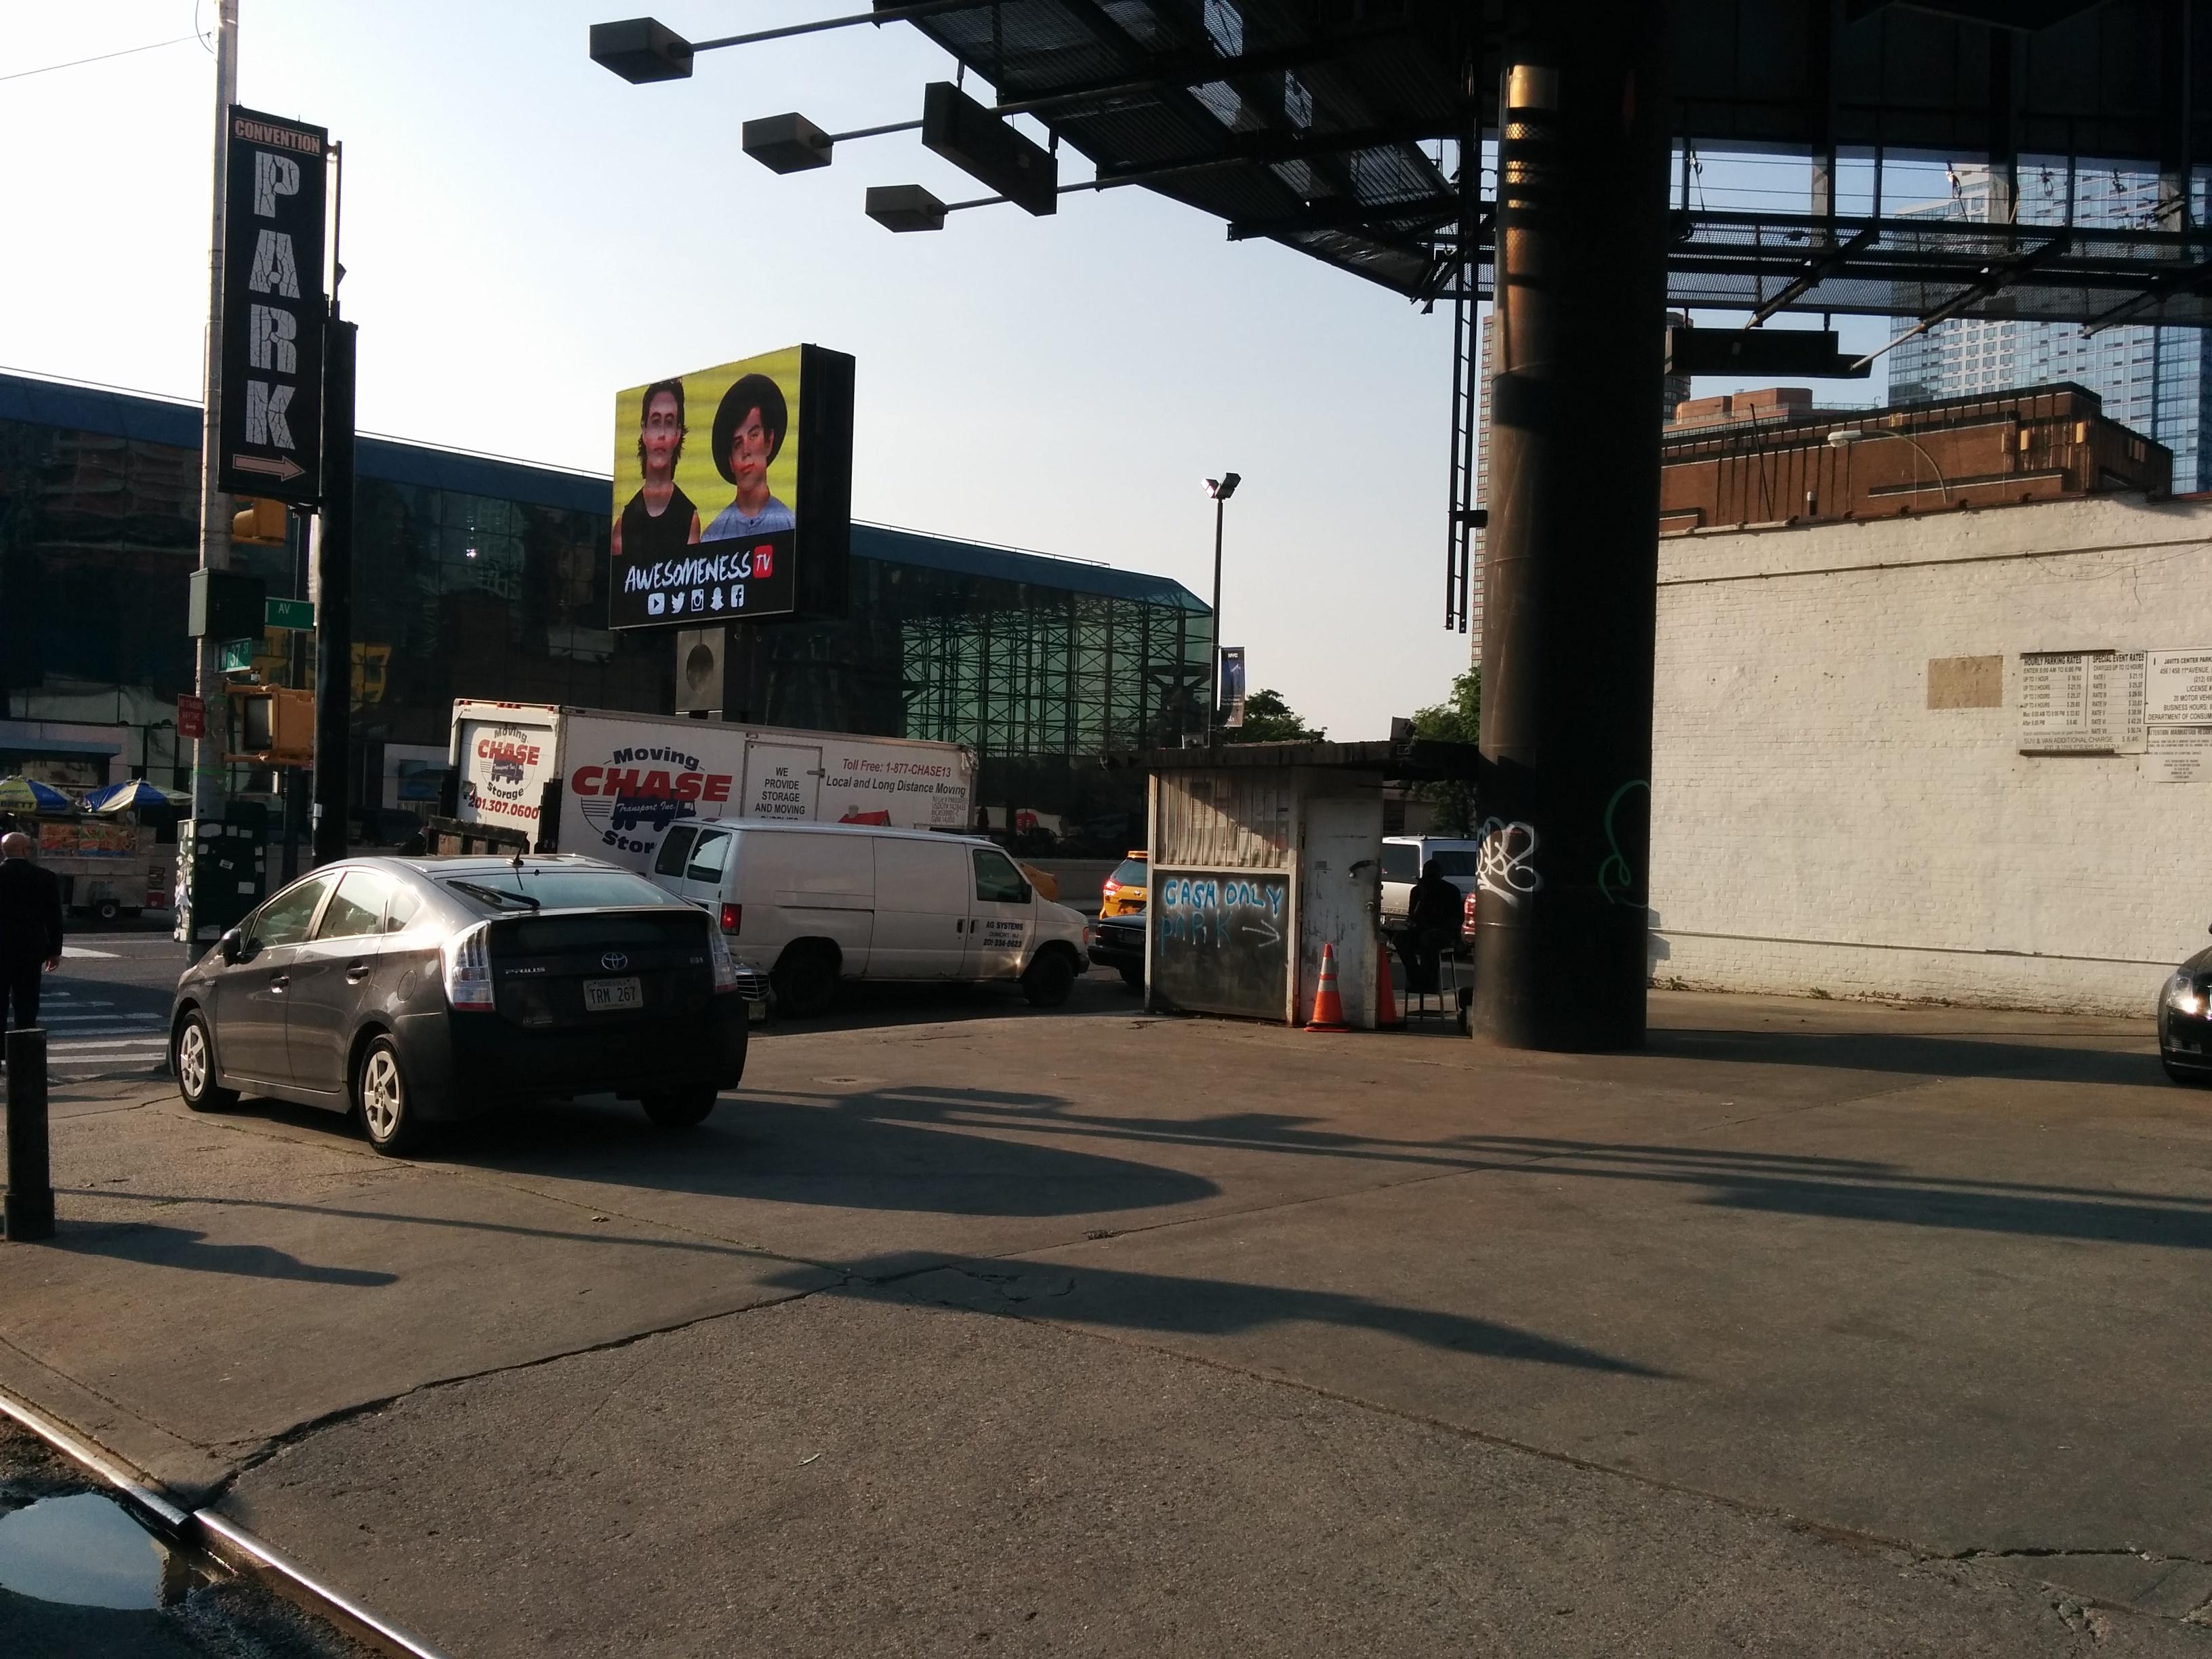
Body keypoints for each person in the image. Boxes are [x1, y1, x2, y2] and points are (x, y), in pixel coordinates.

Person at [611, 379, 700, 563]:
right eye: (655, 421)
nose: (661, 434)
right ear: (644, 429)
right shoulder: (624, 524)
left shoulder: (689, 518)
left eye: (669, 422)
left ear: (677, 433)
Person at [700, 373, 796, 541]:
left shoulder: (790, 527)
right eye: (737, 443)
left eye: (753, 436)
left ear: (769, 442)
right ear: (730, 461)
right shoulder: (713, 536)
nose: (746, 451)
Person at [0, 831, 64, 1048]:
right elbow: (54, 917)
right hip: (30, 949)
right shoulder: (44, 877)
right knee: (27, 1003)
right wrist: (54, 950)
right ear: (24, 850)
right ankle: (24, 1055)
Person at [1399, 858, 1462, 995]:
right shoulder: (1417, 891)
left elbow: (1456, 920)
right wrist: (1423, 896)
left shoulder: (1450, 891)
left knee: (1429, 939)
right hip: (1422, 931)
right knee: (1400, 938)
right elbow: (1413, 917)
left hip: (1444, 933)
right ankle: (1416, 977)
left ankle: (1429, 982)